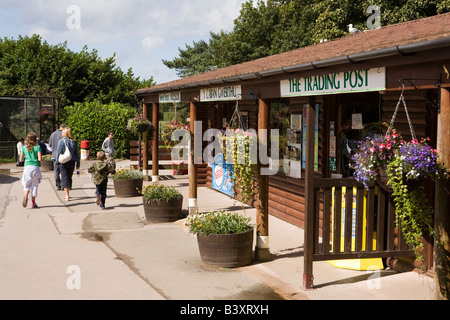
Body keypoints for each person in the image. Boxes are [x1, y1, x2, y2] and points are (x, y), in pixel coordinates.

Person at [55, 127, 80, 202]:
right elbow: (77, 154)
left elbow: (58, 152)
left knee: (64, 177)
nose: (61, 133)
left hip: (63, 162)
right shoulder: (74, 142)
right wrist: (78, 163)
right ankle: (68, 192)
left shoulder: (61, 141)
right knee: (69, 177)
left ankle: (66, 195)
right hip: (72, 161)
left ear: (65, 133)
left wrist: (57, 162)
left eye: (63, 132)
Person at [20, 133, 42, 209]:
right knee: (34, 185)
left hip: (27, 167)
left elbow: (20, 159)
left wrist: (25, 159)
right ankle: (33, 203)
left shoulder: (24, 148)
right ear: (35, 139)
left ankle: (26, 195)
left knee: (27, 184)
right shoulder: (37, 147)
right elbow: (39, 159)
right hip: (35, 167)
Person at [49, 124, 68, 190]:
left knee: (56, 171)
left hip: (54, 155)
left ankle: (58, 185)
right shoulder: (64, 134)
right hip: (63, 156)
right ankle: (63, 185)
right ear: (64, 128)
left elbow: (50, 145)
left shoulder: (53, 134)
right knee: (63, 171)